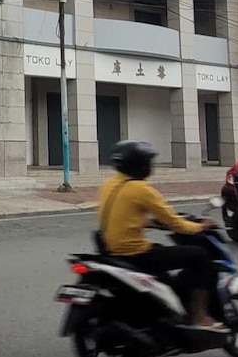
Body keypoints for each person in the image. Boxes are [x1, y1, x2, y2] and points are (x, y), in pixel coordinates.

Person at [97, 139, 229, 333]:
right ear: (140, 165)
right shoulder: (141, 189)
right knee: (200, 256)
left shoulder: (109, 185)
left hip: (110, 249)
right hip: (135, 253)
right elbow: (175, 223)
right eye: (149, 162)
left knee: (165, 263)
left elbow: (123, 214)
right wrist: (200, 227)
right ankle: (199, 316)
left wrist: (149, 222)